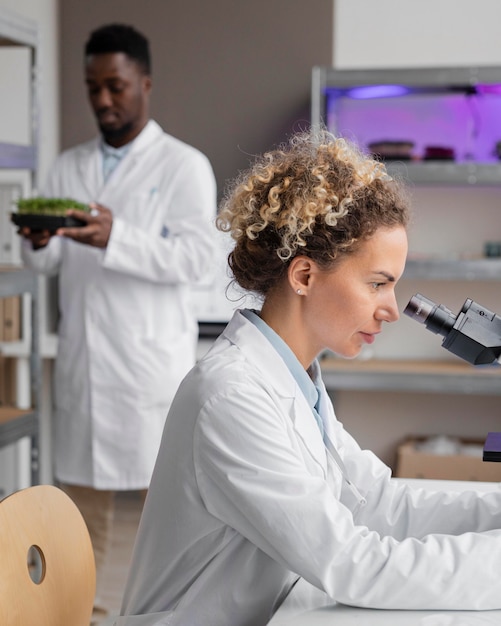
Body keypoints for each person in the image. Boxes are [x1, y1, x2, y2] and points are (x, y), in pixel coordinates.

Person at [118, 130, 501, 626]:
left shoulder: (295, 380)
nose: (390, 309)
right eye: (377, 283)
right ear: (303, 276)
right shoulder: (231, 397)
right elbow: (349, 564)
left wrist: (494, 513)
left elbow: (376, 502)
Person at [18, 23, 217, 620]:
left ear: (145, 83)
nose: (103, 100)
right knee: (81, 521)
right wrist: (36, 238)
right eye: (91, 87)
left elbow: (196, 260)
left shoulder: (184, 166)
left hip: (149, 366)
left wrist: (117, 237)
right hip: (87, 359)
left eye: (115, 85)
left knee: (169, 515)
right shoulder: (67, 166)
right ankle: (83, 613)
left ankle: (167, 614)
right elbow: (47, 260)